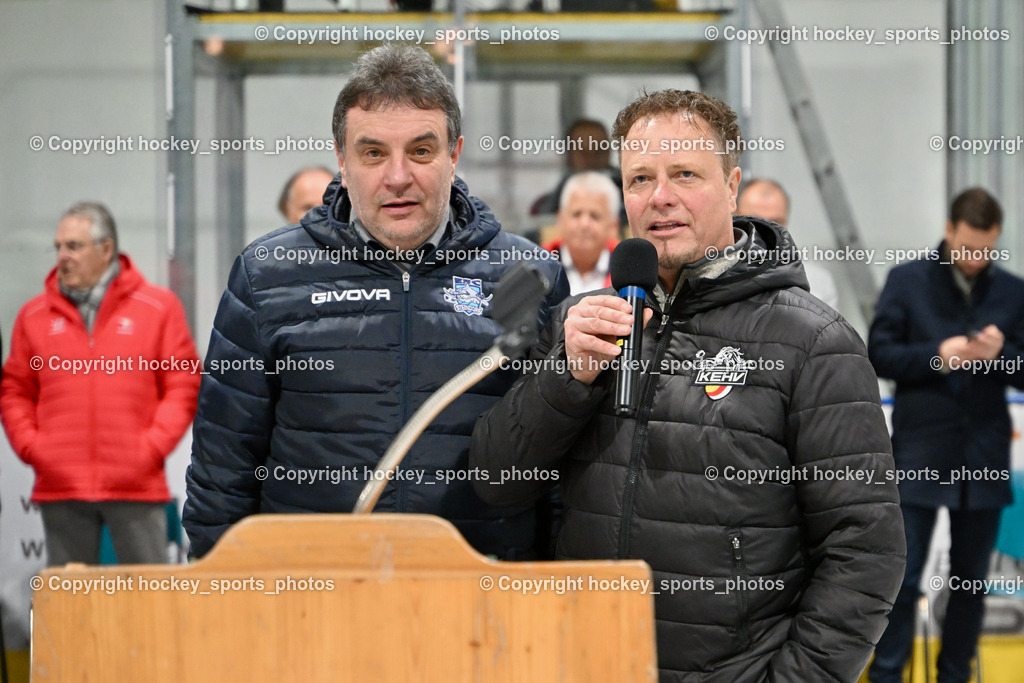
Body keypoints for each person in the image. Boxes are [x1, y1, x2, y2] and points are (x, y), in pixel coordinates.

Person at [471, 89, 905, 682]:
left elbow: (866, 550)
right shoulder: (583, 323)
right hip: (584, 662)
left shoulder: (812, 342)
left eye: (684, 174)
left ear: (731, 185)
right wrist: (565, 379)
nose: (660, 197)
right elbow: (496, 480)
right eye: (640, 178)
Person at [182, 45, 568, 560]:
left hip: (480, 590)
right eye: (373, 153)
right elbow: (223, 465)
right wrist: (222, 585)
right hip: (314, 587)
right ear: (342, 160)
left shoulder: (531, 277)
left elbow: (561, 465)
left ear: (454, 155)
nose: (398, 176)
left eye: (421, 151)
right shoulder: (267, 276)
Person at [867, 188, 1024, 683]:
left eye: (986, 248)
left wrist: (999, 356)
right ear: (949, 230)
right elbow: (879, 354)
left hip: (983, 456)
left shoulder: (1013, 292)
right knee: (902, 578)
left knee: (970, 584)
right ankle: (886, 676)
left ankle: (955, 676)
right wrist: (938, 356)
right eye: (968, 246)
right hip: (920, 451)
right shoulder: (907, 280)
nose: (976, 257)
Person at [1, 202, 201, 566]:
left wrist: (149, 448)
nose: (62, 256)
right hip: (61, 486)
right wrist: (35, 448)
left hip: (136, 484)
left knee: (149, 594)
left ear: (106, 249)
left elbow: (183, 382)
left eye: (74, 246)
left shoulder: (158, 307)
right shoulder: (33, 316)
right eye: (59, 246)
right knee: (69, 598)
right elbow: (15, 389)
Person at [735, 177, 839, 310]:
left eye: (776, 222)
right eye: (756, 221)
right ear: (734, 215)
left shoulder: (818, 282)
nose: (767, 230)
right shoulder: (715, 275)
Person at [542, 171, 620, 295]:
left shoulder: (629, 272)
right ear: (560, 220)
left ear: (613, 226)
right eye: (576, 214)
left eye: (595, 216)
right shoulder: (537, 266)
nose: (584, 224)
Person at [528, 118, 624, 219]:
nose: (591, 158)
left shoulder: (629, 196)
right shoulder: (542, 207)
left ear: (608, 153)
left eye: (599, 150)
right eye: (582, 151)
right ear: (569, 155)